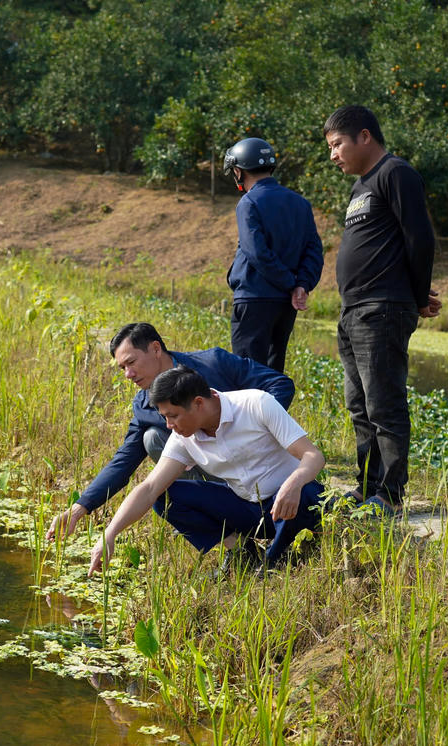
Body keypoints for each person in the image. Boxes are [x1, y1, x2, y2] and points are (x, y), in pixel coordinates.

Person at [46, 322, 293, 541]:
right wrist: (79, 509)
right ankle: (233, 543)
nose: (128, 375)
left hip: (262, 468)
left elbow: (280, 384)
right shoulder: (143, 405)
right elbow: (124, 461)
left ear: (155, 349)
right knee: (152, 438)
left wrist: (256, 429)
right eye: (122, 368)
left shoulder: (213, 363)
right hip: (215, 471)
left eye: (131, 363)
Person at [87, 365, 326, 573]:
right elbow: (149, 488)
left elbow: (313, 456)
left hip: (293, 503)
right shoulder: (183, 436)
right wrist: (110, 533)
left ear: (198, 403)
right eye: (165, 417)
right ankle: (243, 553)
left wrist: (293, 483)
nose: (169, 425)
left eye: (173, 416)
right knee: (165, 497)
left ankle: (277, 560)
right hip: (249, 509)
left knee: (305, 492)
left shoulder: (256, 404)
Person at [323, 105, 442, 515]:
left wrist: (417, 294)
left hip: (382, 309)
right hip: (353, 310)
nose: (333, 154)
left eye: (337, 144)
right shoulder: (360, 188)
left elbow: (419, 238)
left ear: (365, 137)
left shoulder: (396, 173)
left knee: (384, 403)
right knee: (359, 405)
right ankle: (368, 486)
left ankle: (390, 494)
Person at [224, 137, 324, 373]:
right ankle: (273, 411)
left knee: (247, 373)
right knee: (273, 370)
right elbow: (314, 251)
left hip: (253, 298)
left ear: (238, 171)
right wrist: (301, 285)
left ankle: (251, 413)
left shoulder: (248, 203)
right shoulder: (301, 204)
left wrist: (291, 284)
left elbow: (256, 252)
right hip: (285, 304)